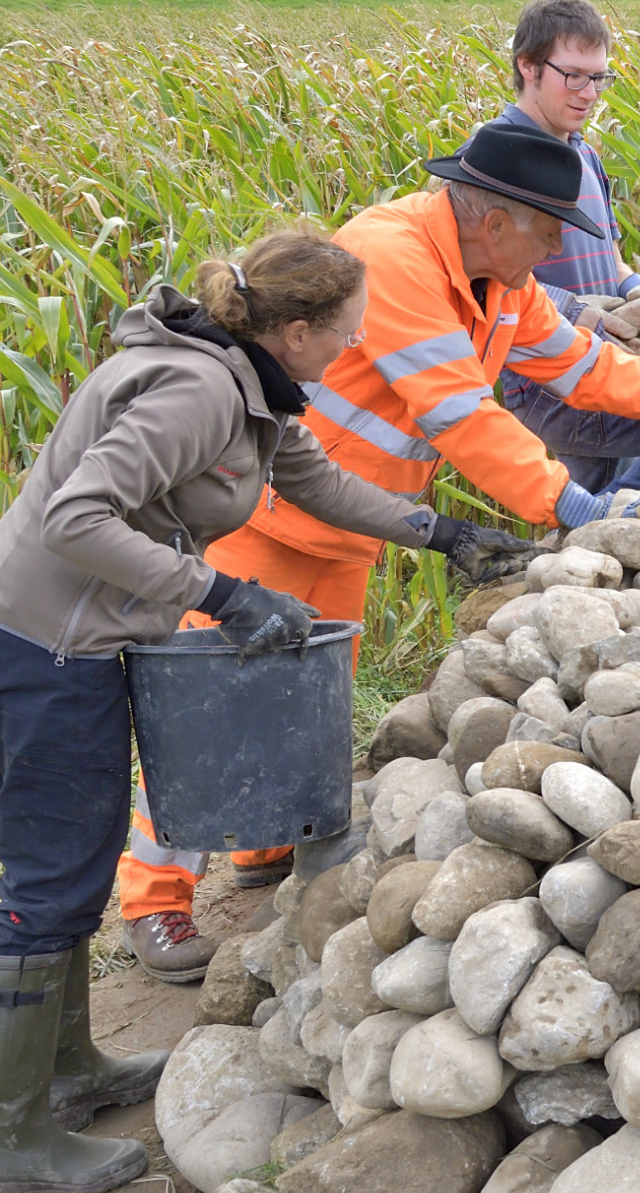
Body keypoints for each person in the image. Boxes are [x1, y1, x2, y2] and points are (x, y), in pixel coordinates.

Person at [115, 121, 640, 980]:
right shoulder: (392, 260)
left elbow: (581, 362)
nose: (558, 250)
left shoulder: (500, 280)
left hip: (355, 519)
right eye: (551, 230)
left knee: (314, 685)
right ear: (497, 217)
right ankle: (153, 899)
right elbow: (460, 415)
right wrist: (575, 505)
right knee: (217, 698)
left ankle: (264, 842)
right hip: (269, 511)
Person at [0, 228, 532, 1191]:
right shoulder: (197, 391)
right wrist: (222, 591)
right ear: (294, 330)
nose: (351, 350)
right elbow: (75, 515)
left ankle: (69, 1072)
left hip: (83, 638)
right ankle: (12, 1138)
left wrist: (440, 530)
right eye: (346, 335)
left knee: (74, 856)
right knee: (48, 870)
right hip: (40, 643)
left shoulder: (251, 386)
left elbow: (316, 482)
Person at [484, 0, 640, 495]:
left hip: (609, 367)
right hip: (552, 384)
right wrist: (581, 313)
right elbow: (477, 283)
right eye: (573, 76)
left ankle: (586, 538)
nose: (589, 92)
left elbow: (609, 259)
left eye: (599, 77)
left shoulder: (584, 155)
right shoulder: (494, 160)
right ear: (527, 66)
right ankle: (610, 525)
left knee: (583, 509)